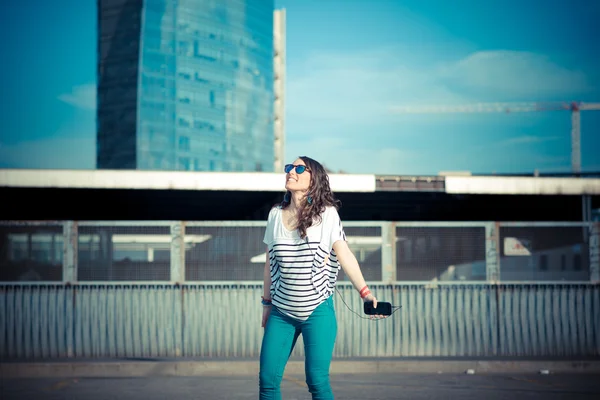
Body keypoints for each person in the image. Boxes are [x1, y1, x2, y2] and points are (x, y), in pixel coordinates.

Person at [259, 156, 385, 400]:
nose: (290, 172)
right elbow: (269, 264)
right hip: (281, 312)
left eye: (298, 168)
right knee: (267, 381)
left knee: (316, 381)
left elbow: (344, 254)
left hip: (317, 310)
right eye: (288, 168)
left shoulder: (326, 214)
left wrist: (366, 293)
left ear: (313, 178)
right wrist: (266, 304)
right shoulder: (275, 215)